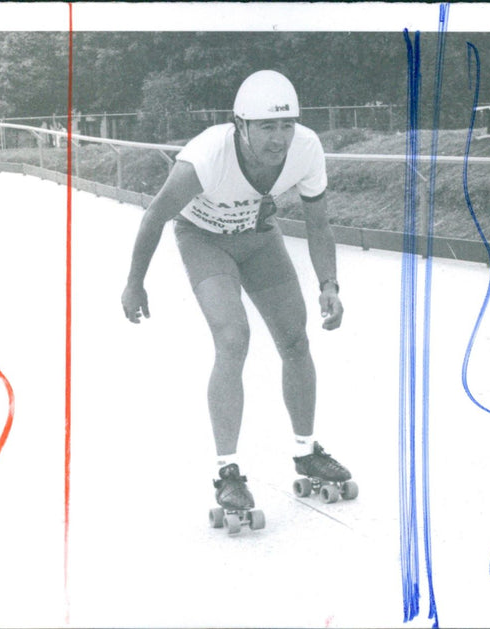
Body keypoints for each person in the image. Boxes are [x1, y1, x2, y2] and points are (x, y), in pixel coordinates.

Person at [121, 70, 353, 518]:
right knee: (232, 339)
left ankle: (307, 451)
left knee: (295, 338)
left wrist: (329, 285)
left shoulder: (306, 148)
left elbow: (319, 224)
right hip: (204, 240)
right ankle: (227, 472)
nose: (279, 138)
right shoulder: (206, 155)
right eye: (267, 126)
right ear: (240, 125)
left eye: (286, 125)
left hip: (258, 238)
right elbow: (154, 216)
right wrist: (135, 282)